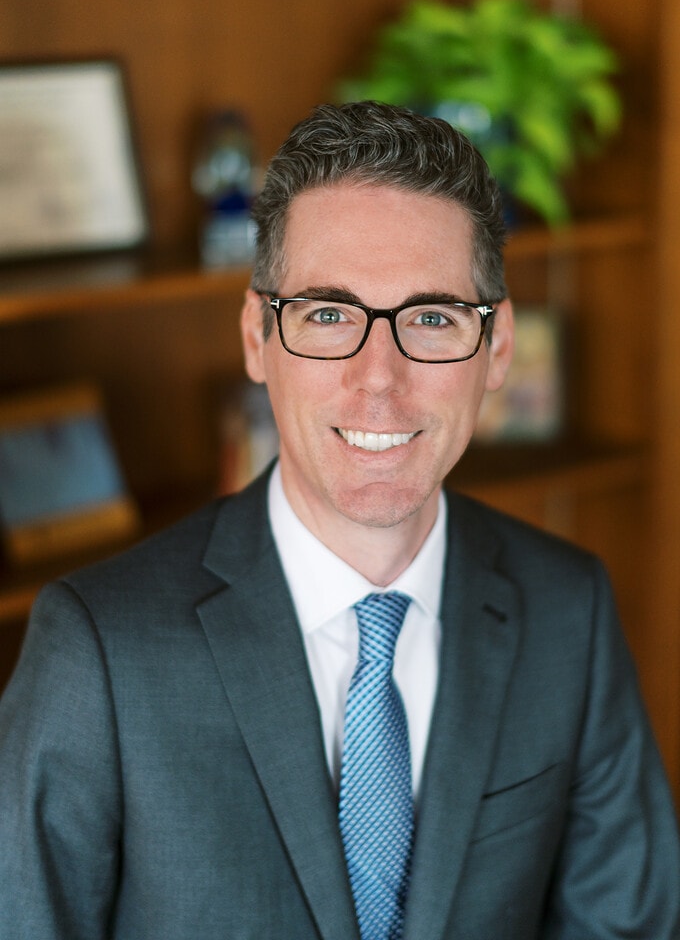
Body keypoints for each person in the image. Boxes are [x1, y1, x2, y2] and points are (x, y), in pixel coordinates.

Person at [0, 101, 678, 940]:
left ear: (496, 349)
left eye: (432, 318)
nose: (379, 379)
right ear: (258, 336)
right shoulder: (99, 650)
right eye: (328, 315)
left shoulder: (568, 608)